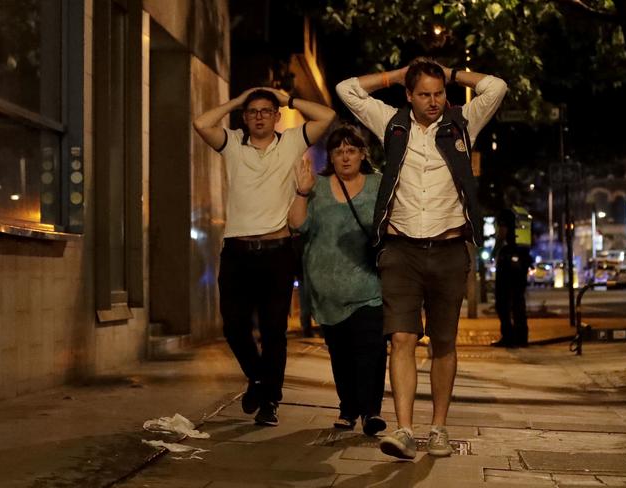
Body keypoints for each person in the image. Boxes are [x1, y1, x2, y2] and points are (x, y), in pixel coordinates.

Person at [336, 60, 507, 458]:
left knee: (444, 343)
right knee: (401, 338)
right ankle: (404, 429)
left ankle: (439, 428)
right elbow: (347, 88)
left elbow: (496, 86)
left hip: (449, 250)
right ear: (409, 96)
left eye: (438, 93)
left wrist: (450, 74)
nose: (433, 101)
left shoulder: (462, 122)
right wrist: (395, 75)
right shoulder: (391, 124)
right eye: (424, 94)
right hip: (400, 251)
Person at [193, 87, 335, 426]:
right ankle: (257, 378)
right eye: (252, 111)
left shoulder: (291, 141)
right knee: (233, 326)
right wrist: (237, 100)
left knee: (273, 331)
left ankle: (270, 400)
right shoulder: (232, 144)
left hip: (277, 252)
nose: (259, 116)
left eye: (265, 110)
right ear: (245, 117)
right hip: (237, 252)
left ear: (276, 116)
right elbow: (201, 122)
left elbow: (326, 116)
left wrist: (287, 99)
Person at [288, 125, 387, 436]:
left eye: (351, 150)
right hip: (326, 290)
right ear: (330, 156)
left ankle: (371, 412)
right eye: (338, 151)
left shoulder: (378, 184)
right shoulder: (315, 186)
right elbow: (297, 225)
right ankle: (348, 408)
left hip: (369, 286)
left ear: (362, 154)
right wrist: (302, 192)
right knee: (341, 353)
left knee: (371, 350)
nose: (345, 157)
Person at [492, 209, 533, 348]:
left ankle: (508, 336)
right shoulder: (524, 213)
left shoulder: (506, 212)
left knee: (502, 300)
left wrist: (495, 251)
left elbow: (502, 233)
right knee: (518, 300)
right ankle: (522, 337)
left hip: (508, 257)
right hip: (523, 257)